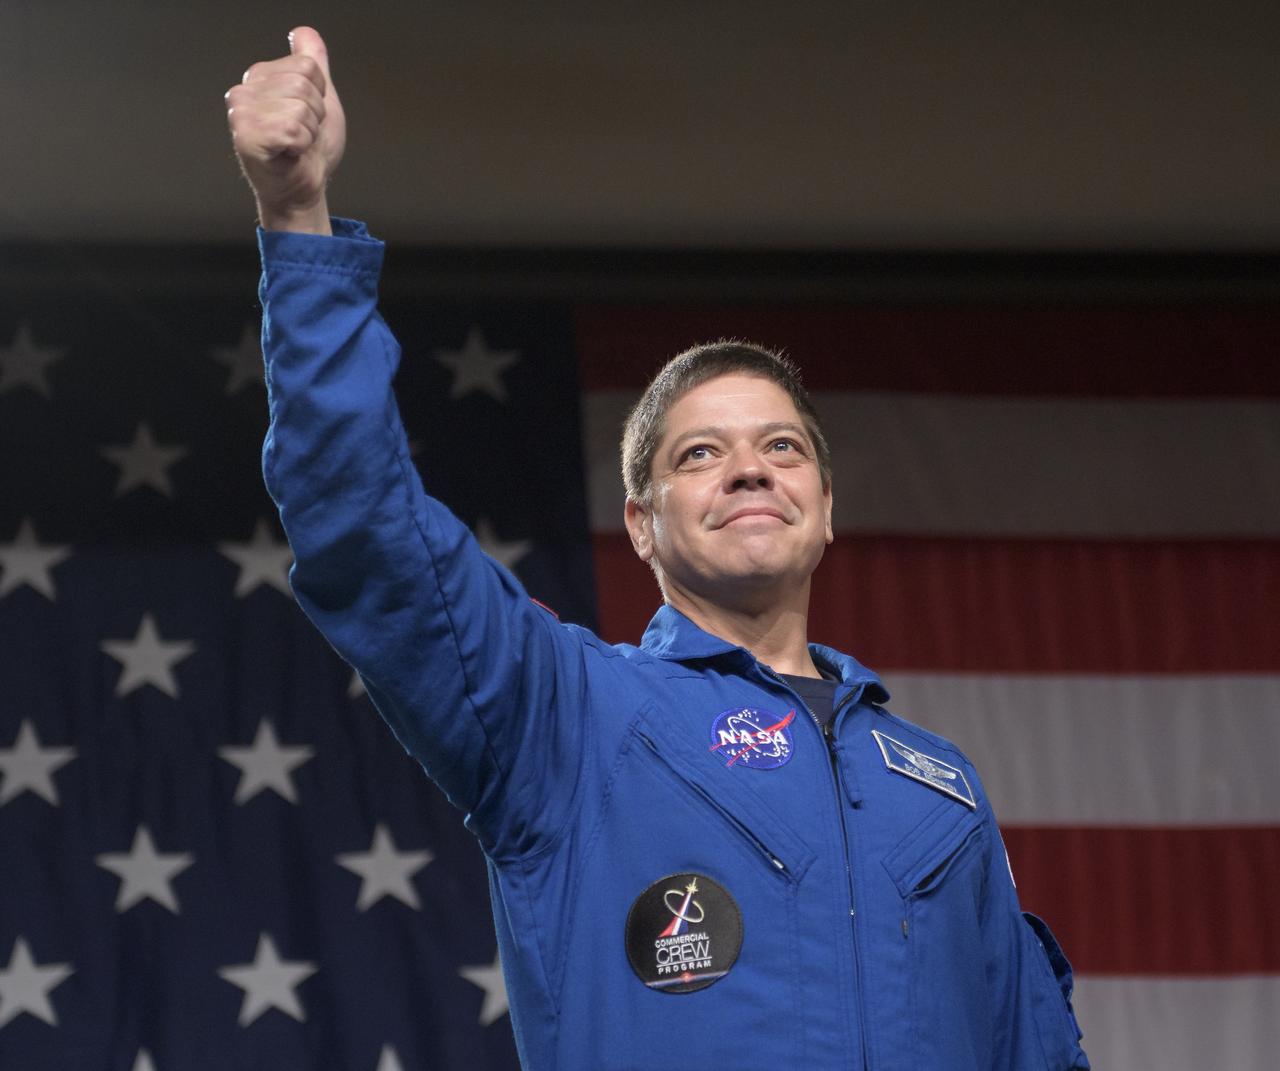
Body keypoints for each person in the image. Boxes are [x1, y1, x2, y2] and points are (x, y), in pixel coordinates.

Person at [226, 26, 1090, 1071]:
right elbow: (357, 516)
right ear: (642, 523)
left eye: (780, 447)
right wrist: (296, 216)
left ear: (823, 509)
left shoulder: (938, 790)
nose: (748, 469)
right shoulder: (566, 718)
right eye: (698, 453)